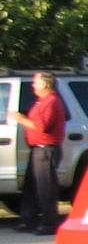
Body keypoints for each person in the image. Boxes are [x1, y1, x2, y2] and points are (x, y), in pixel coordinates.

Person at [8, 71, 67, 235]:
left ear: (45, 85)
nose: (33, 85)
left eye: (36, 82)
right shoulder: (42, 102)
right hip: (37, 149)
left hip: (46, 149)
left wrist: (21, 119)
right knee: (31, 187)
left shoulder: (52, 101)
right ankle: (28, 220)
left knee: (45, 188)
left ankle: (50, 223)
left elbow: (42, 126)